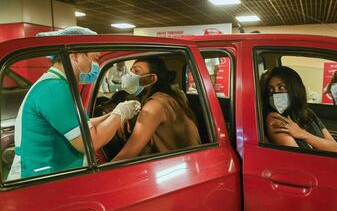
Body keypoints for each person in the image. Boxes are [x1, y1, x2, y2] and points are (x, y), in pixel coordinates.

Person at [7, 26, 141, 180]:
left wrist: (111, 115)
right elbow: (90, 141)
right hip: (39, 180)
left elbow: (82, 124)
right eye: (95, 59)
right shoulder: (54, 89)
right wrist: (120, 113)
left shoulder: (57, 85)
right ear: (75, 56)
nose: (95, 67)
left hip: (48, 177)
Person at [112, 57, 200, 161]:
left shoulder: (156, 105)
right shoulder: (168, 96)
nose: (130, 76)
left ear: (152, 78)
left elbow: (127, 155)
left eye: (136, 71)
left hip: (182, 167)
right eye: (131, 71)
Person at [261, 66, 337, 152]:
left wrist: (302, 134)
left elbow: (334, 148)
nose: (275, 93)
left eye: (281, 88)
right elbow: (298, 159)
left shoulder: (308, 113)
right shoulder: (275, 118)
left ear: (295, 88)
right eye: (271, 89)